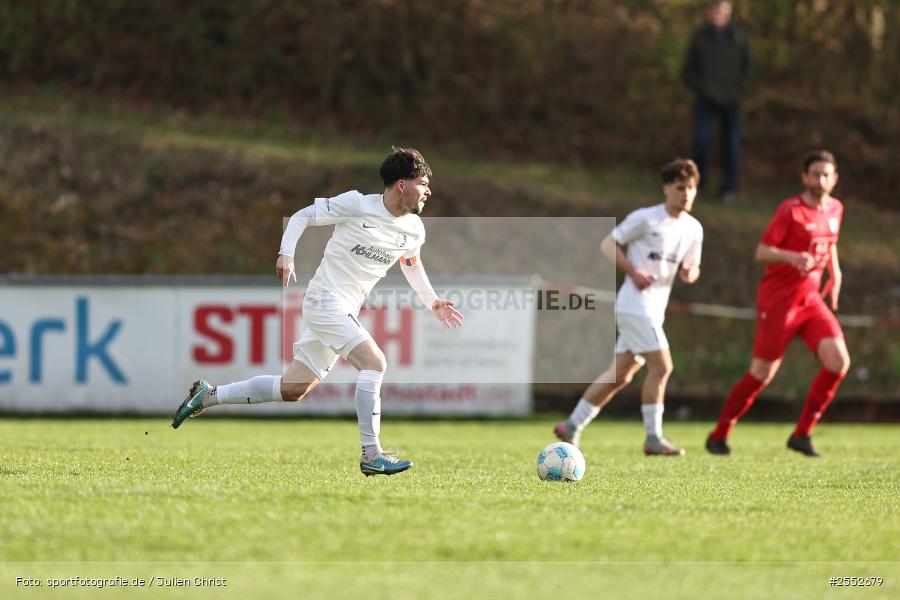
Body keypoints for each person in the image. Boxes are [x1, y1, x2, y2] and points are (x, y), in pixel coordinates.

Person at [172, 147, 464, 476]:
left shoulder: (414, 229)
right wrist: (286, 254)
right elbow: (303, 216)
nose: (429, 191)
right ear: (402, 185)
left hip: (343, 310)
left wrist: (432, 301)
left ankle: (207, 396)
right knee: (375, 362)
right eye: (423, 183)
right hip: (324, 301)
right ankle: (372, 454)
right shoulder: (357, 204)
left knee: (293, 389)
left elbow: (411, 264)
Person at [555, 159, 703, 455]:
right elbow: (608, 244)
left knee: (619, 376)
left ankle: (571, 425)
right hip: (634, 305)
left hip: (654, 310)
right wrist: (633, 272)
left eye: (691, 188)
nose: (686, 194)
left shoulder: (693, 228)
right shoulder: (646, 218)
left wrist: (690, 272)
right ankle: (653, 438)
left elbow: (694, 266)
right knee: (662, 367)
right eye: (679, 188)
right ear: (666, 189)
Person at [706, 150, 849, 457]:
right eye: (815, 174)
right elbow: (762, 251)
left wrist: (835, 273)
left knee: (838, 362)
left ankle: (803, 434)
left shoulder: (836, 208)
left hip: (811, 301)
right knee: (761, 373)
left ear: (834, 178)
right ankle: (719, 434)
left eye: (827, 174)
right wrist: (791, 256)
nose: (821, 180)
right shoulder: (791, 211)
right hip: (779, 301)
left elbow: (831, 243)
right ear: (804, 177)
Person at [682, 0, 752, 202]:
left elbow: (748, 68)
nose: (717, 15)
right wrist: (704, 89)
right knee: (701, 143)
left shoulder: (738, 37)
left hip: (732, 101)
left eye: (721, 11)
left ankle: (729, 189)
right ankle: (698, 185)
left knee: (731, 145)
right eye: (714, 11)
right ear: (708, 13)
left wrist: (736, 89)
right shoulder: (700, 38)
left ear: (728, 13)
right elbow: (688, 71)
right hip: (705, 100)